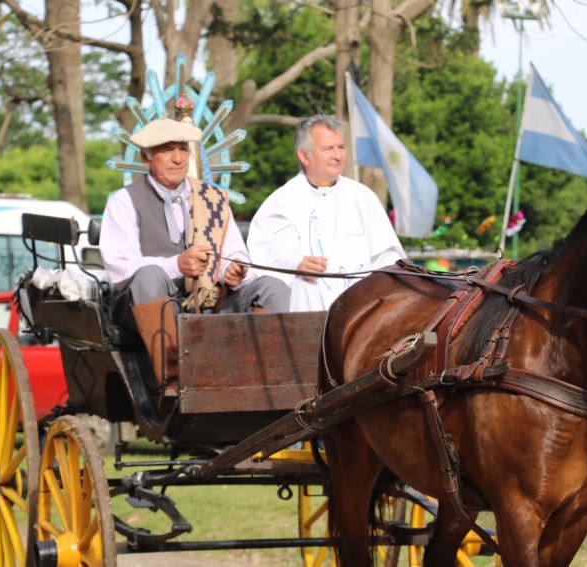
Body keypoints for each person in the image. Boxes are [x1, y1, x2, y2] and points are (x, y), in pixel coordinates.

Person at [100, 118, 290, 397]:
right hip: (141, 308)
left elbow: (235, 252)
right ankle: (174, 382)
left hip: (209, 300)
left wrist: (232, 271)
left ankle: (264, 379)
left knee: (273, 288)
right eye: (166, 150)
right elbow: (120, 269)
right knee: (150, 275)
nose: (178, 158)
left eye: (183, 149)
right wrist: (175, 265)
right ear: (146, 157)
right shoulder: (124, 201)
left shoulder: (211, 198)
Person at [247, 114, 406, 312]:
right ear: (304, 156)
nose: (338, 156)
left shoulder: (363, 197)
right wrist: (296, 264)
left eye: (341, 147)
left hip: (362, 307)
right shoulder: (282, 201)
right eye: (328, 149)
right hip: (307, 308)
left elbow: (387, 256)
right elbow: (264, 257)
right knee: (307, 288)